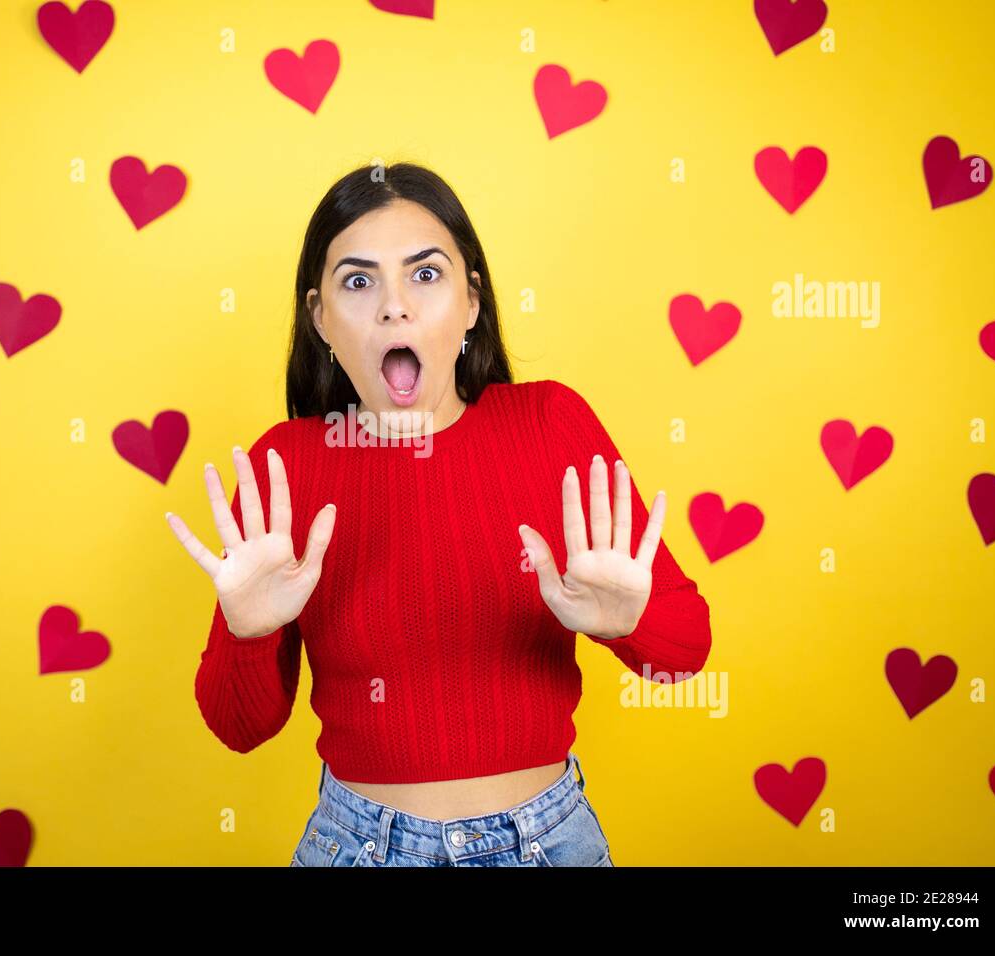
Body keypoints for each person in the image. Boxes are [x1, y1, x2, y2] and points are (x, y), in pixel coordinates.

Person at [165, 162, 712, 866]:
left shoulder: (550, 423)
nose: (395, 307)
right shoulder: (287, 466)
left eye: (425, 275)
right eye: (358, 281)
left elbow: (686, 652)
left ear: (471, 302)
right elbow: (240, 728)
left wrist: (632, 622)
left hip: (550, 842)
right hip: (359, 845)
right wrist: (247, 631)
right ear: (319, 318)